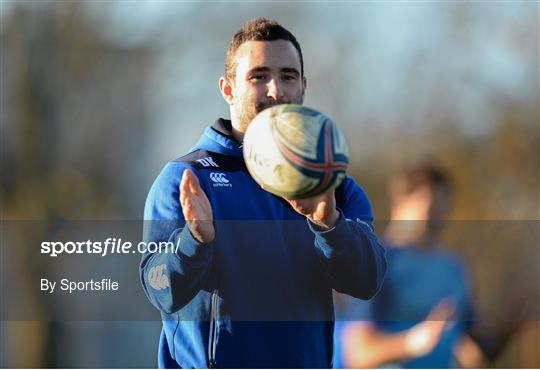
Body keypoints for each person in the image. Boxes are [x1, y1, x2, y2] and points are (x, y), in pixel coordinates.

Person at [140, 18, 387, 368]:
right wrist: (195, 240)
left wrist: (330, 225)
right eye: (259, 76)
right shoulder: (186, 179)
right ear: (228, 89)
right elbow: (159, 288)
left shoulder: (334, 186)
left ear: (303, 86)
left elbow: (367, 282)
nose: (276, 90)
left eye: (288, 76)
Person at [334, 163, 479, 368]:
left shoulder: (454, 268)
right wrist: (414, 342)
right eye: (431, 204)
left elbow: (471, 349)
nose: (439, 215)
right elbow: (359, 353)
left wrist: (506, 331)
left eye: (444, 205)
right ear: (400, 203)